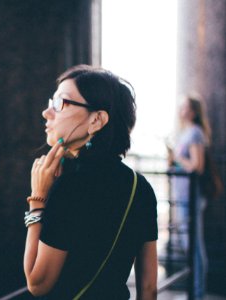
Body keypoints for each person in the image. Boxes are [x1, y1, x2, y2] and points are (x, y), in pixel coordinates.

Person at [23, 65, 158, 299]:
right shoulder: (141, 187)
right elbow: (148, 288)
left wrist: (37, 199)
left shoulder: (69, 187)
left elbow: (38, 283)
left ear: (96, 120)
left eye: (60, 103)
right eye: (51, 101)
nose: (47, 112)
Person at [167, 95, 214, 299]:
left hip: (190, 196)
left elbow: (197, 166)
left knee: (193, 244)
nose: (181, 109)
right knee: (189, 243)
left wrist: (177, 157)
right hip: (183, 195)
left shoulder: (194, 133)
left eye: (186, 106)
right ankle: (195, 291)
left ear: (193, 111)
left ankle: (197, 292)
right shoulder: (185, 133)